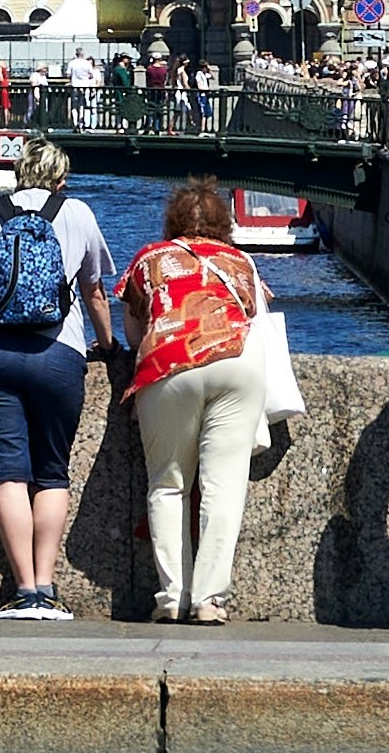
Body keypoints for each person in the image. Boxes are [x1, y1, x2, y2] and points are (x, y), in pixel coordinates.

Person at [0, 138, 110, 619]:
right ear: (61, 179)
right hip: (57, 354)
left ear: (19, 173)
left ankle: (21, 590)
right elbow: (96, 290)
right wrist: (108, 344)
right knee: (51, 472)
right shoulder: (78, 212)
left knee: (8, 472)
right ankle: (46, 587)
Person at [114, 177, 272, 625]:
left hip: (170, 363)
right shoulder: (240, 261)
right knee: (224, 489)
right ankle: (209, 601)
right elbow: (254, 313)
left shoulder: (150, 258)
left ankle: (171, 597)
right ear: (225, 224)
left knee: (168, 484)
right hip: (239, 363)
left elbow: (132, 325)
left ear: (172, 221)